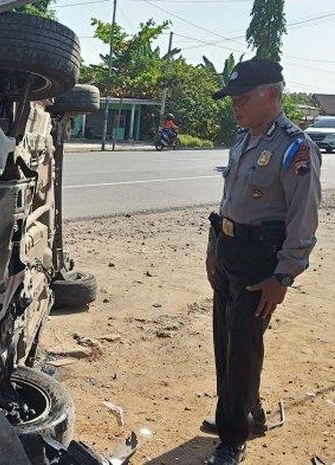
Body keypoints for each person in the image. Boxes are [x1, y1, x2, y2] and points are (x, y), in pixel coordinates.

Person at [204, 57, 321, 465]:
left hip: (261, 263)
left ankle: (233, 437)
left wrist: (283, 276)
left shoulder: (295, 147)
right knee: (226, 343)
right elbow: (228, 202)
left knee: (243, 349)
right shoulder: (243, 139)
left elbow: (302, 218)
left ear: (271, 94)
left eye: (243, 98)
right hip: (228, 252)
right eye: (233, 99)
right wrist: (214, 248)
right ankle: (243, 412)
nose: (235, 106)